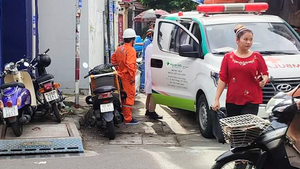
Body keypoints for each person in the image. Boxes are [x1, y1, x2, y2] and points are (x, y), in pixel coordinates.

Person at [212, 24, 269, 117]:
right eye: (245, 39)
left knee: (247, 127)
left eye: (251, 40)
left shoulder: (257, 57)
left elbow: (265, 74)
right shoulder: (228, 57)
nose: (248, 42)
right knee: (234, 129)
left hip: (252, 99)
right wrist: (216, 99)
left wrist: (264, 80)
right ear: (237, 40)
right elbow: (222, 79)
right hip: (233, 99)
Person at [111, 28, 139, 125]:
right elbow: (130, 65)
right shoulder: (131, 50)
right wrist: (132, 78)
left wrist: (118, 69)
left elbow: (113, 59)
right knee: (128, 97)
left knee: (122, 96)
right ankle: (128, 118)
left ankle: (123, 114)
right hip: (127, 77)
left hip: (119, 76)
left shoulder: (120, 49)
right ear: (132, 40)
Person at [144, 41, 163, 120]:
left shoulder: (149, 47)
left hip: (149, 71)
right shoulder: (155, 48)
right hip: (153, 71)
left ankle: (148, 109)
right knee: (153, 93)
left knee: (149, 92)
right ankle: (152, 111)